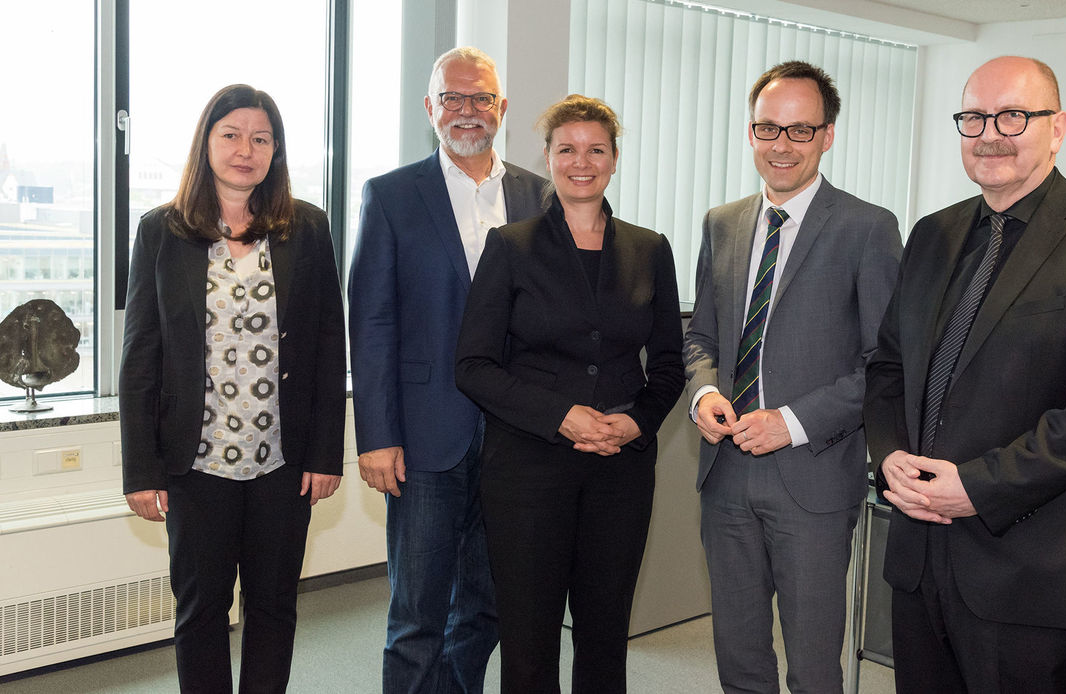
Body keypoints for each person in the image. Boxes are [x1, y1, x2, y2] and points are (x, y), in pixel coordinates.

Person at [864, 56, 1066, 693]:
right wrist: (888, 453)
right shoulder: (932, 233)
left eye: (1013, 115)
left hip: (1036, 564)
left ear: (1057, 128)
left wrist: (976, 486)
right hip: (921, 554)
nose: (989, 133)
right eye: (973, 117)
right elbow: (890, 366)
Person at [683, 61, 903, 693]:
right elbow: (700, 335)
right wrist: (702, 391)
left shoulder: (868, 227)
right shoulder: (721, 222)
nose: (780, 145)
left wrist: (792, 421)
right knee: (738, 657)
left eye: (799, 131)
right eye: (767, 129)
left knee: (812, 666)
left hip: (814, 477)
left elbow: (883, 363)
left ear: (827, 136)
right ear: (750, 132)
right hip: (724, 475)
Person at [119, 83, 346, 693]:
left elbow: (329, 347)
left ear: (276, 151)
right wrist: (141, 469)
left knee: (274, 608)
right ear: (207, 142)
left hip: (282, 462)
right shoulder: (160, 233)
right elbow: (141, 356)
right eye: (232, 134)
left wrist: (326, 454)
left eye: (261, 138)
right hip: (195, 465)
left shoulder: (308, 229)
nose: (246, 149)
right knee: (200, 612)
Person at [454, 94, 684, 693]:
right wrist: (561, 416)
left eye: (596, 150)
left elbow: (666, 366)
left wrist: (636, 422)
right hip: (528, 471)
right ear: (550, 159)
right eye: (567, 150)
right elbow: (473, 366)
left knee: (605, 638)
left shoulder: (650, 249)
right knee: (528, 642)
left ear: (614, 160)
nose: (582, 162)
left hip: (620, 471)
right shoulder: (511, 246)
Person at [347, 46, 546, 694]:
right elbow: (371, 321)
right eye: (453, 99)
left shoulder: (538, 196)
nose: (467, 111)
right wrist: (376, 434)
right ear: (430, 108)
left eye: (481, 97)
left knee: (487, 606)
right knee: (417, 616)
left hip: (514, 439)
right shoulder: (391, 196)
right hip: (426, 436)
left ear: (503, 108)